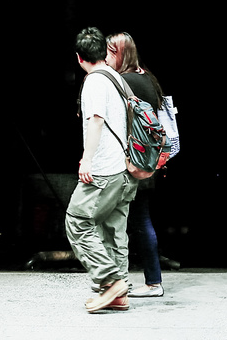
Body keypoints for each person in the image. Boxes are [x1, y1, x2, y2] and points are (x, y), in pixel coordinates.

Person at [65, 26, 137, 313]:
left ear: (79, 57)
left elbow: (96, 120)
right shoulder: (117, 78)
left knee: (77, 221)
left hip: (105, 169)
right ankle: (120, 294)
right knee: (113, 230)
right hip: (123, 169)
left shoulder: (94, 81)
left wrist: (88, 160)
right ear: (104, 53)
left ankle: (111, 281)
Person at [107, 31, 166, 298]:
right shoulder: (148, 78)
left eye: (110, 52)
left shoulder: (122, 82)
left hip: (129, 161)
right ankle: (150, 280)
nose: (106, 58)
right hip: (147, 160)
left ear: (120, 54)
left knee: (128, 221)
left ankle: (143, 283)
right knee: (141, 219)